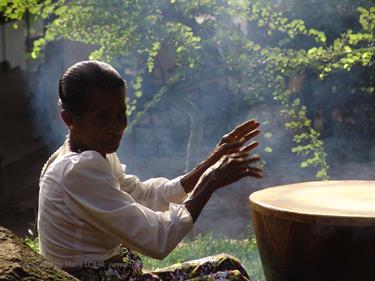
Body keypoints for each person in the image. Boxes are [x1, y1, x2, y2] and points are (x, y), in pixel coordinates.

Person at [37, 60, 262, 281]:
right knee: (230, 278)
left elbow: (144, 196)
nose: (116, 128)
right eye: (103, 118)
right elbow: (157, 240)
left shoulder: (90, 154)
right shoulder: (77, 169)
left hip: (118, 274)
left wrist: (210, 162)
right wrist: (210, 180)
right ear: (69, 119)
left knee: (227, 264)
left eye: (120, 114)